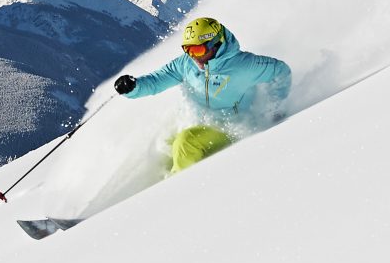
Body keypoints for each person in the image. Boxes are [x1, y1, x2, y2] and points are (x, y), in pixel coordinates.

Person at [113, 16, 292, 172]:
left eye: (198, 50)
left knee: (185, 142)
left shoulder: (243, 65)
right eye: (188, 50)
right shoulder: (185, 64)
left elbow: (281, 71)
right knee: (168, 145)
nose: (194, 57)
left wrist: (274, 108)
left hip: (232, 129)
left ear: (216, 44)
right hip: (201, 124)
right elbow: (156, 81)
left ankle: (179, 193)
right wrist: (134, 87)